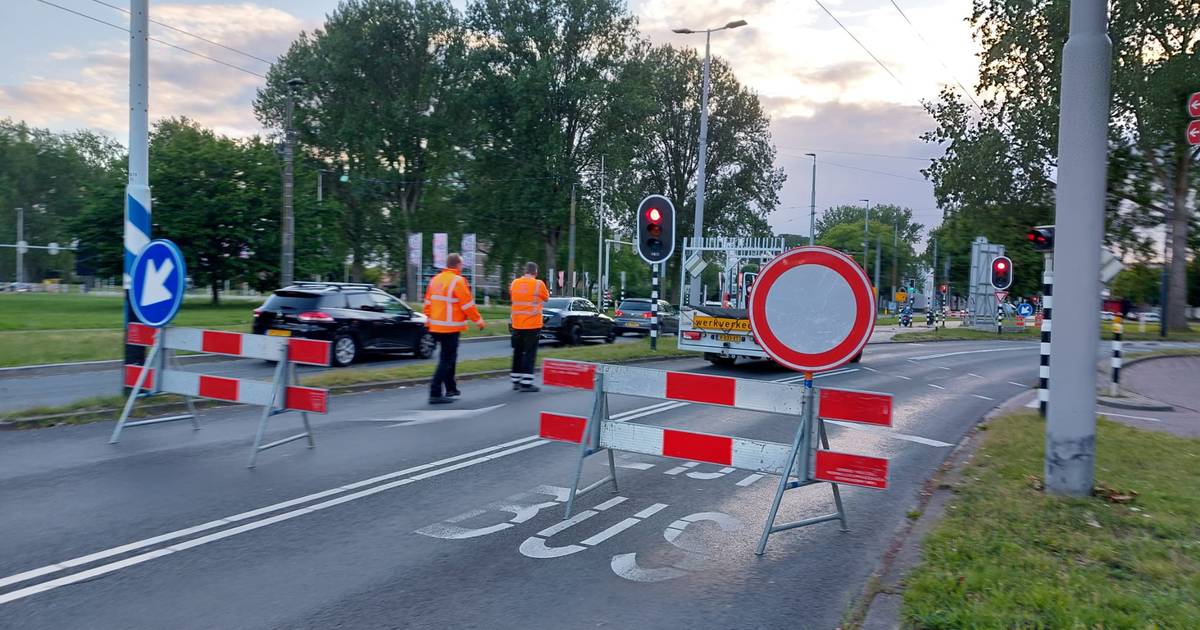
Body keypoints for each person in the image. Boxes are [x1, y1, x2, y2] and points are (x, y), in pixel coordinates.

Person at [423, 253, 485, 404]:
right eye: (461, 265)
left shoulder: (435, 280)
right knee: (447, 360)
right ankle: (435, 392)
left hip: (436, 326)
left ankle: (451, 388)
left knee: (450, 358)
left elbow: (427, 303)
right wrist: (478, 320)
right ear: (457, 265)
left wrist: (428, 321)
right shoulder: (458, 281)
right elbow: (467, 305)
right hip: (449, 328)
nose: (462, 267)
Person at [509, 262, 550, 392]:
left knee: (517, 352)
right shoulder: (539, 284)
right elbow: (546, 298)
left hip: (517, 324)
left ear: (525, 271)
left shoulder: (514, 283)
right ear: (535, 272)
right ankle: (526, 382)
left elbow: (513, 297)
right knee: (530, 353)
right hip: (532, 324)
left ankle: (515, 380)